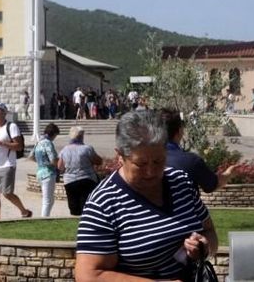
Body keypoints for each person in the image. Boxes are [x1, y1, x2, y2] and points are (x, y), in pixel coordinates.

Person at [75, 110, 217, 280]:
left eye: (158, 161)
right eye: (141, 164)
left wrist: (203, 246)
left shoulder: (181, 182)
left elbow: (209, 230)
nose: (151, 172)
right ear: (120, 156)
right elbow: (89, 275)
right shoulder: (103, 203)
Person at [162, 109, 235, 194]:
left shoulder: (144, 160)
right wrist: (229, 173)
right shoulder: (191, 161)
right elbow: (212, 184)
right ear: (179, 131)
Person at [0, 104, 32, 219]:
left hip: (7, 165)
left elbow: (19, 146)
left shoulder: (11, 127)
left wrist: (3, 144)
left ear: (4, 113)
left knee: (7, 193)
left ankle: (24, 211)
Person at [57, 126, 103, 216]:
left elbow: (60, 167)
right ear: (81, 136)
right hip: (87, 179)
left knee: (73, 206)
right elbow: (98, 161)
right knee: (86, 206)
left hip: (70, 181)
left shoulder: (64, 150)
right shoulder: (87, 148)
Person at [32, 123, 60, 217]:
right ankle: (44, 219)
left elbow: (31, 156)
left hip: (40, 172)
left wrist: (41, 162)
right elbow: (53, 159)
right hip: (48, 173)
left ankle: (46, 216)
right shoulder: (48, 143)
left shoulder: (39, 142)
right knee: (47, 200)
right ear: (53, 134)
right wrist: (59, 166)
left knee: (49, 200)